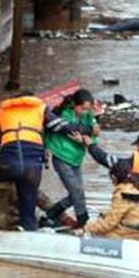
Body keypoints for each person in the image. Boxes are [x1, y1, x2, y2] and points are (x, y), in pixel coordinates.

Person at [0, 92, 94, 233]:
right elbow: (65, 127)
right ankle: (29, 231)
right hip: (33, 168)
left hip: (8, 162)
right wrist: (89, 129)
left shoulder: (1, 113)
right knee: (28, 213)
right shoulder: (40, 109)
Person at [41, 89, 100, 228]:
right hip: (62, 156)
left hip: (76, 159)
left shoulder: (87, 116)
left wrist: (87, 134)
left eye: (88, 109)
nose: (85, 112)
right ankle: (82, 221)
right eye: (83, 109)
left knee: (77, 193)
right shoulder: (64, 115)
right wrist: (86, 136)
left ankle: (51, 214)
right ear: (74, 104)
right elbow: (78, 133)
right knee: (77, 192)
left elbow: (95, 134)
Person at [73, 162, 139, 240]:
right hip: (137, 232)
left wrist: (86, 228)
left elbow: (109, 223)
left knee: (92, 233)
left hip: (124, 234)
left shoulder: (122, 194)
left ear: (114, 177)